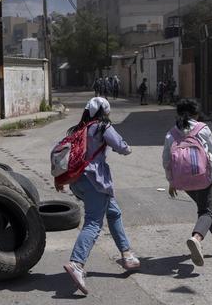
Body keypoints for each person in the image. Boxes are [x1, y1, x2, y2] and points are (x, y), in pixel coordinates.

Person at [61, 97, 139, 295]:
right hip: (95, 181)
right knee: (93, 223)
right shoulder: (102, 126)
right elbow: (122, 146)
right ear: (104, 112)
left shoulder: (79, 128)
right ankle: (77, 263)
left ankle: (127, 254)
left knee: (114, 213)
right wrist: (126, 148)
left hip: (78, 181)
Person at [162, 99, 212, 267]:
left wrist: (172, 182)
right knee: (206, 211)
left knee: (207, 209)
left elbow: (166, 160)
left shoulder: (171, 134)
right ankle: (196, 238)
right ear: (196, 114)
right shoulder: (202, 129)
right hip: (203, 177)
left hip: (183, 181)